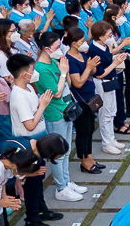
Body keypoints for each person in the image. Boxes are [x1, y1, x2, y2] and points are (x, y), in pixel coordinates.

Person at [35, 32, 91, 201]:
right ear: (46, 49)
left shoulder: (53, 62)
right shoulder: (41, 69)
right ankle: (60, 188)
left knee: (66, 150)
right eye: (56, 47)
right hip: (55, 113)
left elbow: (67, 85)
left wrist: (63, 72)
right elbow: (57, 93)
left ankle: (66, 182)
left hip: (66, 110)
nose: (60, 50)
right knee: (57, 153)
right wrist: (64, 73)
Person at [65, 27, 103, 174]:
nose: (85, 42)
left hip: (90, 98)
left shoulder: (82, 54)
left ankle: (90, 157)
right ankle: (84, 161)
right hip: (80, 101)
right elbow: (78, 82)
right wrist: (88, 68)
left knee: (90, 129)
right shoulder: (70, 60)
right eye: (82, 41)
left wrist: (92, 67)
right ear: (74, 43)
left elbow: (91, 72)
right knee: (83, 131)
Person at [87, 21, 128, 156]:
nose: (111, 36)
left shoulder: (104, 46)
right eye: (109, 34)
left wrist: (116, 59)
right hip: (102, 82)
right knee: (104, 114)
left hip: (110, 81)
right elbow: (99, 73)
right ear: (100, 36)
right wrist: (115, 63)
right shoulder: (94, 49)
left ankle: (112, 139)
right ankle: (106, 143)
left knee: (111, 111)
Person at [8, 54, 51, 140]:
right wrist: (42, 106)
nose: (35, 72)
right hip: (29, 142)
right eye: (32, 70)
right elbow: (30, 126)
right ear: (24, 74)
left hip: (40, 136)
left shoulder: (28, 87)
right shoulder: (19, 97)